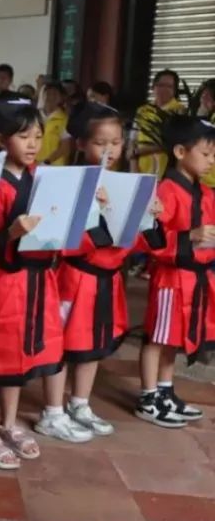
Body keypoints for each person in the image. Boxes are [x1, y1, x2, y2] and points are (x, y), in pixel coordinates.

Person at [56, 102, 166, 436]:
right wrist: (96, 216)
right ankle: (53, 408)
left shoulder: (126, 183)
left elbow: (134, 241)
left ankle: (80, 403)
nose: (110, 150)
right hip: (76, 278)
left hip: (107, 278)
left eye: (116, 142)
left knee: (94, 345)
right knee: (63, 344)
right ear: (81, 144)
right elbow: (61, 240)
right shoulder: (68, 184)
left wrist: (150, 218)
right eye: (100, 143)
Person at [0, 97, 64, 469]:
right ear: (0, 139)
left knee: (20, 353)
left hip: (38, 280)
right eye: (23, 136)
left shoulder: (42, 177)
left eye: (37, 136)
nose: (32, 144)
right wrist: (10, 233)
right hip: (4, 282)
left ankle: (8, 423)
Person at [135, 114, 215, 427]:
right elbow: (151, 238)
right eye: (206, 154)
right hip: (170, 278)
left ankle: (165, 391)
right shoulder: (167, 191)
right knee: (157, 337)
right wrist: (190, 236)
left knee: (172, 338)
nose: (211, 161)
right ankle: (148, 397)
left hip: (193, 277)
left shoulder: (205, 193)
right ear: (180, 152)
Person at [131, 69, 185, 175]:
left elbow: (173, 143)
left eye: (169, 86)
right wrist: (133, 165)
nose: (164, 89)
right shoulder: (142, 110)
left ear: (175, 90)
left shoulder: (179, 111)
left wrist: (139, 151)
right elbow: (133, 138)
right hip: (140, 169)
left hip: (165, 172)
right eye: (160, 85)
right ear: (153, 87)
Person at [38, 81, 72, 166]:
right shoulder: (35, 116)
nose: (51, 97)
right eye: (48, 93)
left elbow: (65, 147)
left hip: (54, 165)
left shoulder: (65, 119)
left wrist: (47, 162)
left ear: (61, 98)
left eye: (55, 94)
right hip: (33, 164)